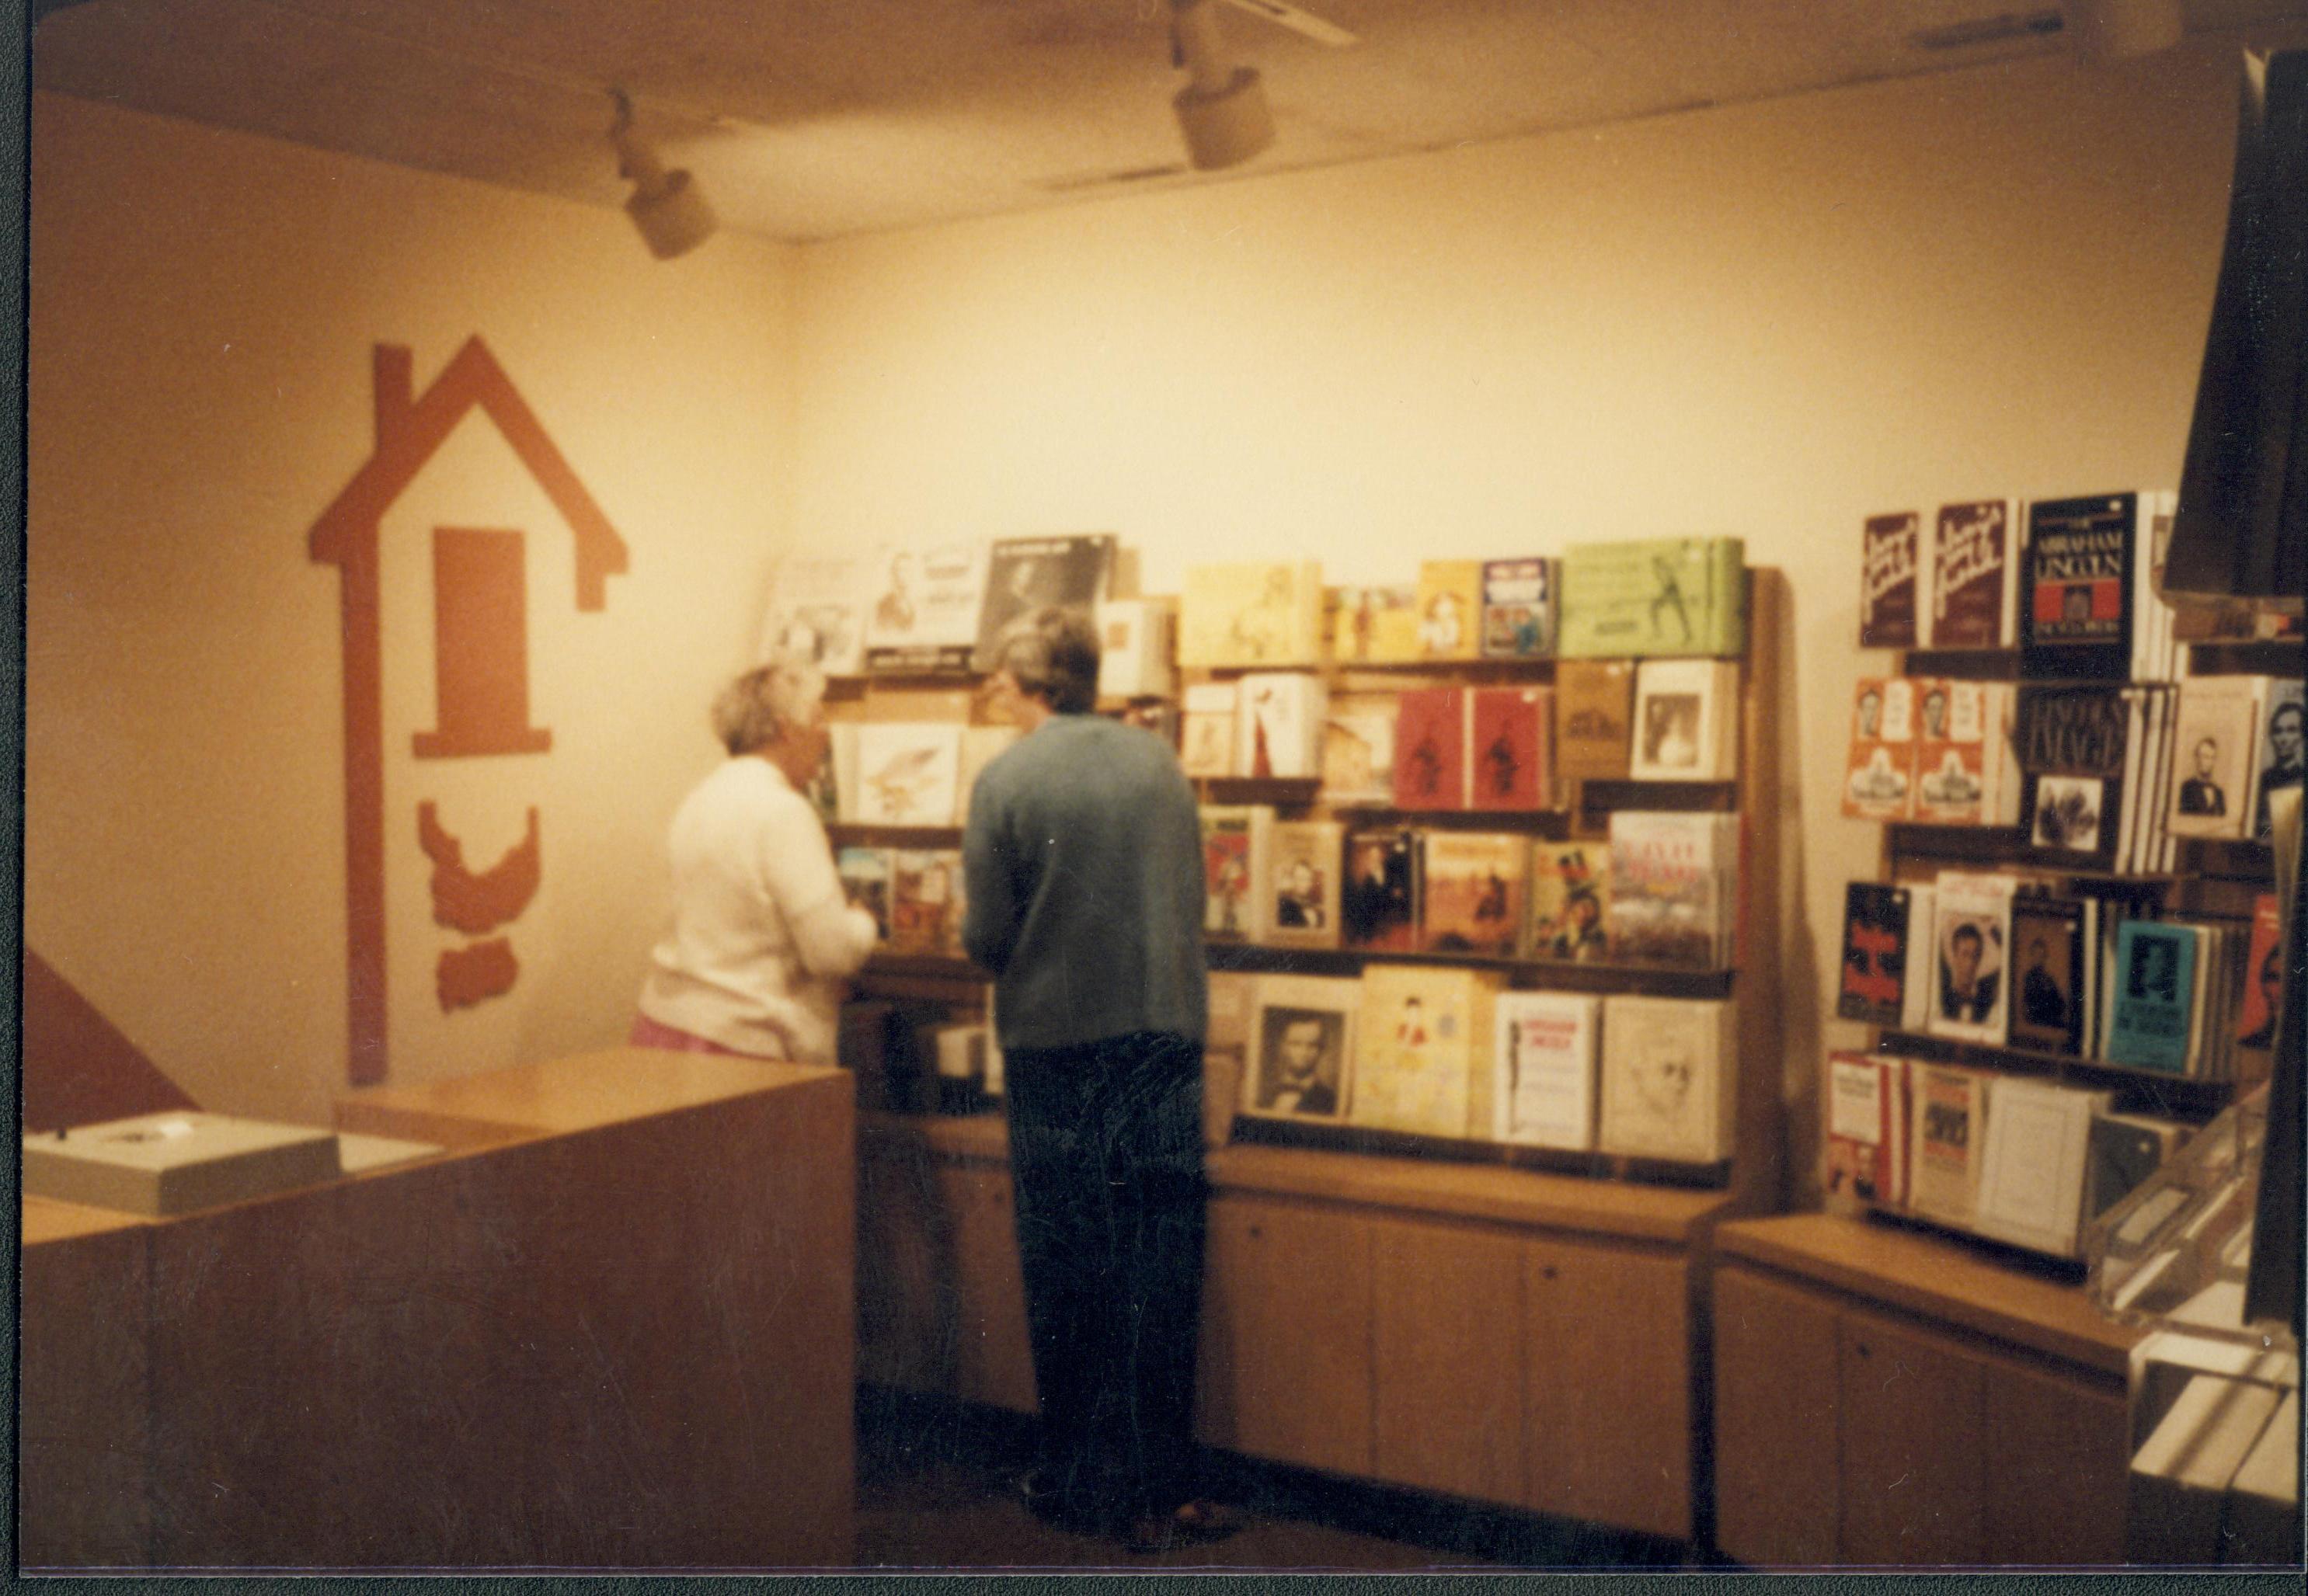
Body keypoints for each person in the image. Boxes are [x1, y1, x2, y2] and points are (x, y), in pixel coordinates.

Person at [960, 607, 1236, 1553]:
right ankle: (1167, 1483)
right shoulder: (1156, 763)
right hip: (1162, 1040)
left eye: (1001, 680)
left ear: (1029, 683)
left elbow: (987, 939)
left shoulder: (1005, 780)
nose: (994, 696)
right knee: (1160, 1259)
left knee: (1069, 1264)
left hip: (1057, 1049)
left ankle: (1082, 1481)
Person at [632, 659, 879, 1062]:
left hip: (666, 1027)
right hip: (741, 1041)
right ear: (786, 729)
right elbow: (832, 953)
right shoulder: (782, 813)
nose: (825, 731)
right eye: (817, 717)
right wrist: (863, 922)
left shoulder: (700, 799)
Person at [1260, 1014, 1337, 1115]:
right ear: (1283, 1047)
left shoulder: (1331, 1101)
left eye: (1312, 1045)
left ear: (1322, 1050)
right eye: (1296, 1044)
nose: (1304, 1053)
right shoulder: (1264, 1095)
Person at [2256, 701, 2305, 838]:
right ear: (2272, 737)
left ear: (2301, 735)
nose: (2283, 739)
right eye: (2278, 731)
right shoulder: (2261, 780)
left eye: (2291, 730)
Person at [1940, 920, 1999, 1025]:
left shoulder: (1986, 999)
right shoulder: (1942, 996)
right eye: (1965, 954)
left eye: (1975, 956)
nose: (1970, 963)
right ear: (1954, 957)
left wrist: (1990, 926)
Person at [2019, 937, 2067, 1033]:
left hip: (2051, 1020)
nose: (2039, 958)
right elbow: (2032, 1004)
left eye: (2041, 955)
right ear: (2032, 956)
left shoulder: (2048, 978)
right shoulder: (2029, 977)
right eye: (2036, 954)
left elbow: (2061, 1004)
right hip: (2038, 1022)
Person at [2177, 737, 2226, 816]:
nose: (2203, 761)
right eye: (2202, 756)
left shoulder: (2219, 793)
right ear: (2196, 758)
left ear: (2214, 761)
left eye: (2209, 757)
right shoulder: (2186, 788)